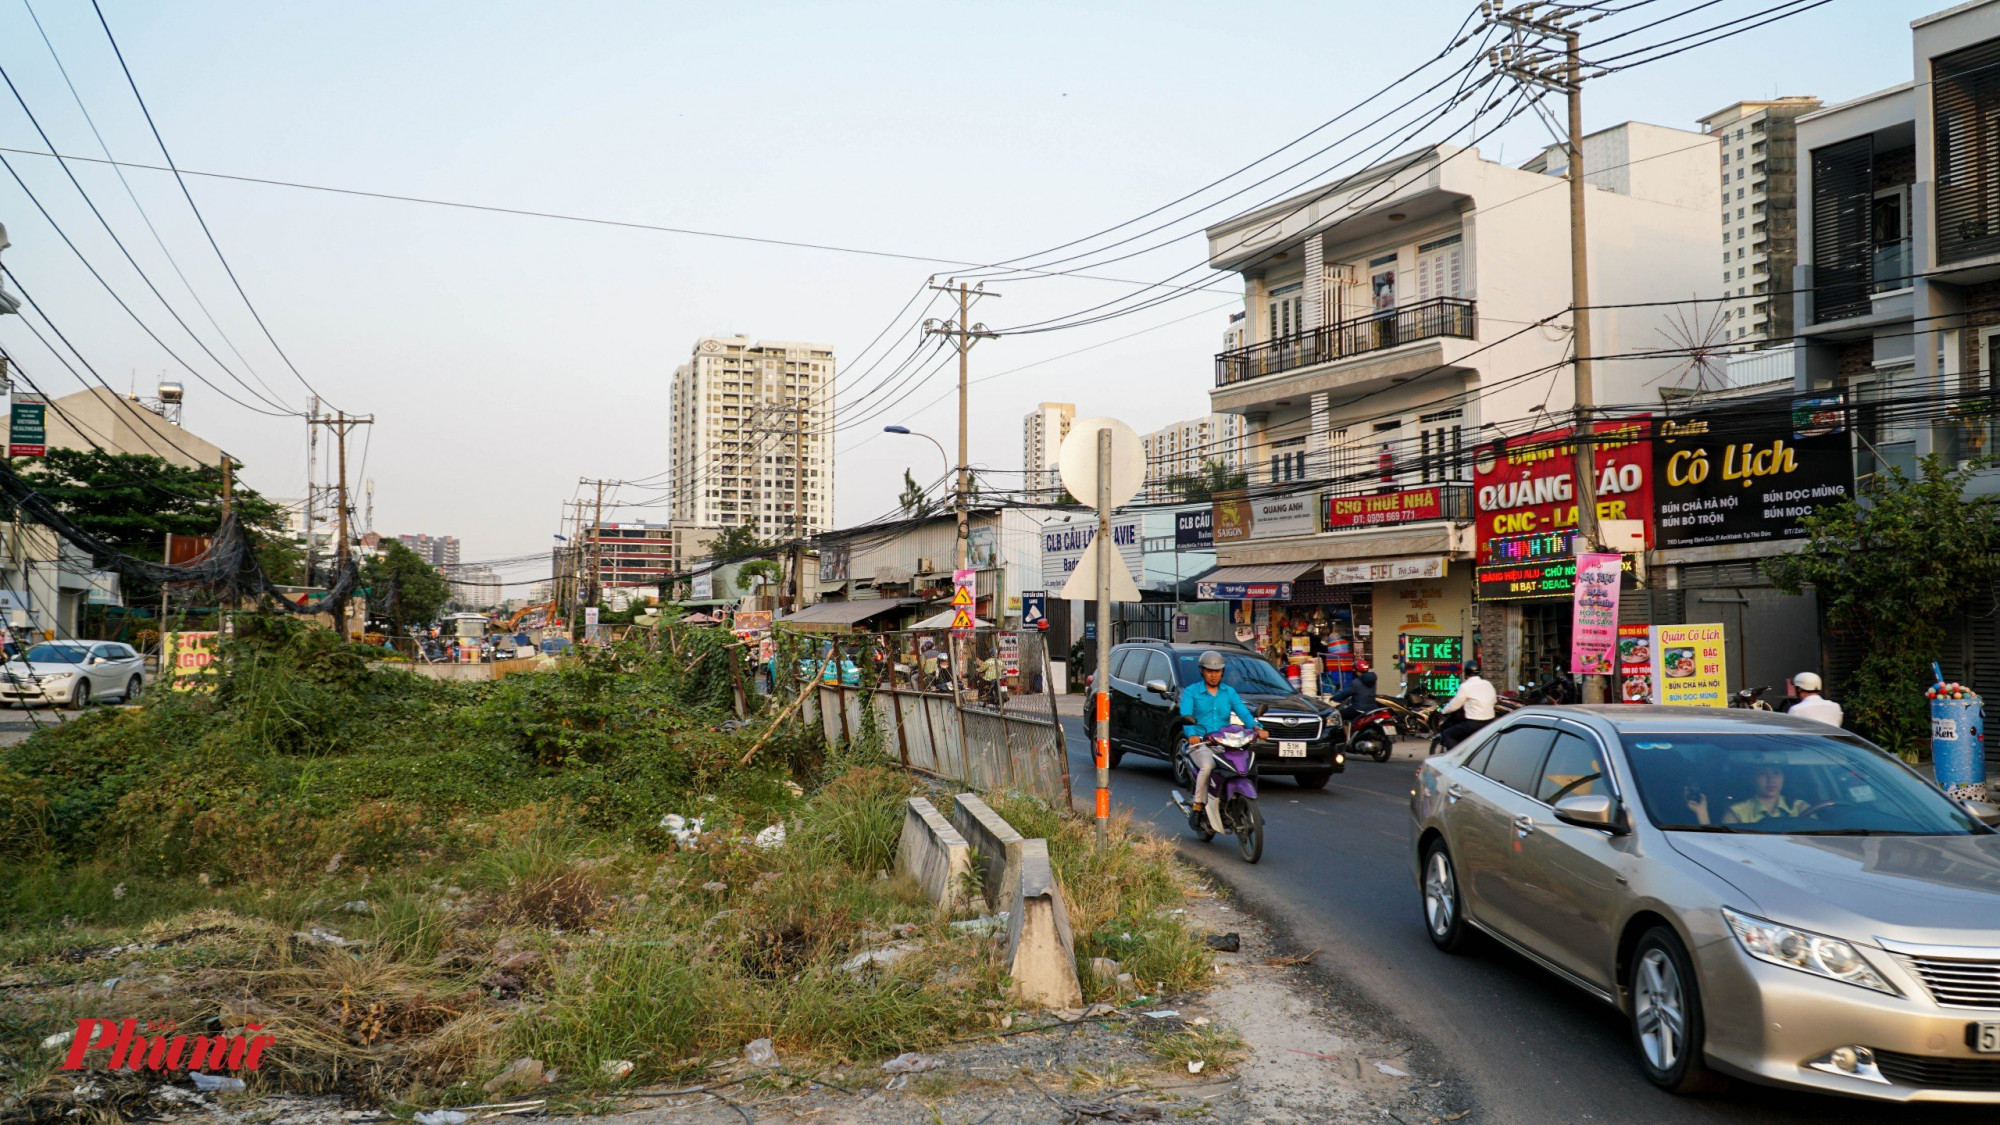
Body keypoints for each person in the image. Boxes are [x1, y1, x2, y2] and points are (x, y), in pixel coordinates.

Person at [1179, 651, 1267, 822]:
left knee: (1245, 764)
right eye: (1210, 671)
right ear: (1202, 671)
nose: (1214, 675)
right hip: (1201, 744)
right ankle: (1197, 806)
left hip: (1224, 742)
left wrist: (1257, 728)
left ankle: (1237, 800)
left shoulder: (1229, 692)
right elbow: (1186, 717)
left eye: (1217, 671)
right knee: (1208, 765)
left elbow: (1244, 713)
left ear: (1222, 672)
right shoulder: (1191, 692)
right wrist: (1192, 736)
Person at [1723, 764, 1820, 823]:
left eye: (1776, 773)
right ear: (1752, 779)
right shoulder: (1736, 813)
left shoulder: (1801, 808)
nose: (1771, 780)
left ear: (1784, 778)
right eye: (1762, 773)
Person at [1435, 660, 1498, 751]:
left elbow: (1454, 705)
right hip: (1490, 721)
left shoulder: (1466, 686)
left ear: (1466, 672)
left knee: (1447, 734)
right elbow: (1494, 700)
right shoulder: (1488, 684)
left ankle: (1455, 758)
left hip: (1473, 723)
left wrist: (1443, 711)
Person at [1328, 660, 1379, 726]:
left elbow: (1343, 694)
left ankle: (1346, 735)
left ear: (1356, 670)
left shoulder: (1356, 682)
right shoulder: (1372, 680)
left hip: (1358, 709)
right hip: (1372, 708)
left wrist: (1333, 698)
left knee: (1337, 715)